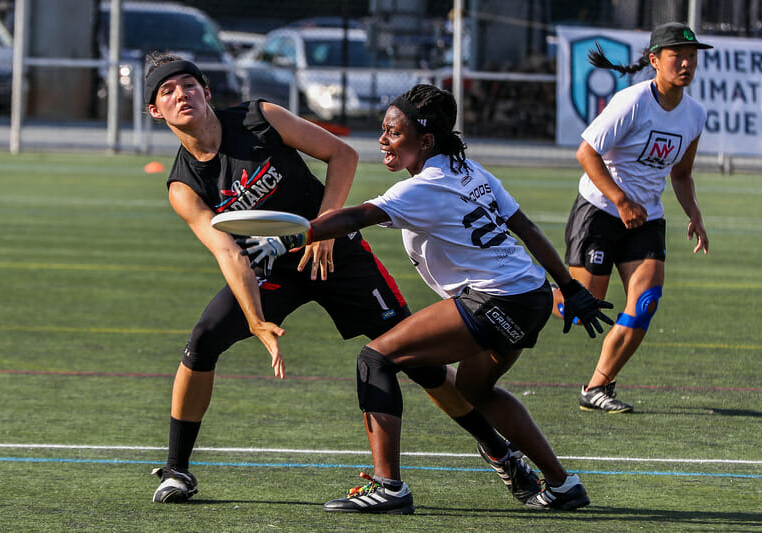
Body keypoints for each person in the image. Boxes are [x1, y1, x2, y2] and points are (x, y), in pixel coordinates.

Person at [143, 55, 543, 507]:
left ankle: (499, 451)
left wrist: (324, 228)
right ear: (155, 111)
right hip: (272, 267)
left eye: (188, 85)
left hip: (336, 253)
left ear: (206, 92)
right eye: (167, 91)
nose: (181, 94)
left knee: (417, 361)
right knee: (203, 340)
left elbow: (342, 154)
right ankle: (177, 470)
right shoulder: (184, 186)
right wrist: (256, 320)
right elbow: (228, 252)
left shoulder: (259, 118)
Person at [241, 84, 613, 512]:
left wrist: (291, 236)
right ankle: (562, 485)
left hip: (497, 300)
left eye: (393, 132)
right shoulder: (469, 170)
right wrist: (568, 288)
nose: (383, 139)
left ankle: (389, 487)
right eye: (383, 130)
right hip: (530, 297)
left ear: (426, 140)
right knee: (477, 390)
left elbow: (356, 216)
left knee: (375, 360)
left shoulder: (424, 187)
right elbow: (525, 228)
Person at [551, 22, 711, 413]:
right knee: (581, 306)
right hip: (601, 210)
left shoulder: (695, 114)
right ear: (655, 60)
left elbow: (682, 173)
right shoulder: (632, 101)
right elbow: (586, 154)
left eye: (691, 56)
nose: (686, 63)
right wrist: (621, 200)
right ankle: (533, 291)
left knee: (646, 301)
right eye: (677, 55)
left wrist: (695, 214)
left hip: (646, 218)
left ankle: (597, 387)